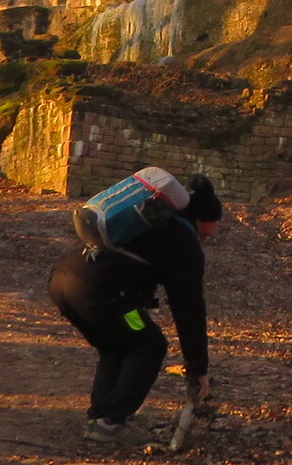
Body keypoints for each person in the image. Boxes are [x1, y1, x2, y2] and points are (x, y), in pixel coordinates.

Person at [48, 171, 222, 446]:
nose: (216, 231)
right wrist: (197, 367)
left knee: (116, 345)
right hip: (106, 295)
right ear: (204, 219)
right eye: (216, 223)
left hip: (62, 282)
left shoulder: (152, 223)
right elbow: (188, 307)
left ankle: (100, 418)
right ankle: (109, 421)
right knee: (149, 345)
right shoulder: (183, 241)